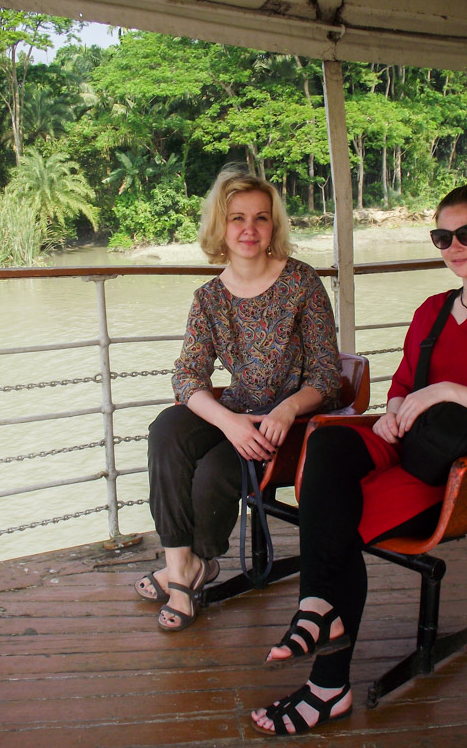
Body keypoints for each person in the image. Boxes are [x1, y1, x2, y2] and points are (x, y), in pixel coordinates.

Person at [249, 184, 467, 735]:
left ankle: (328, 686)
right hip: (405, 443)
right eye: (443, 236)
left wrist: (443, 392)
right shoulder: (434, 309)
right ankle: (319, 610)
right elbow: (400, 386)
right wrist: (394, 409)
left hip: (454, 472)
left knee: (337, 523)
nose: (454, 246)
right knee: (326, 442)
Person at [134, 166, 342, 632]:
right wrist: (229, 422)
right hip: (240, 412)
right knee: (165, 430)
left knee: (212, 472)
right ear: (220, 228)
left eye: (261, 218)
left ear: (274, 227)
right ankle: (183, 566)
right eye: (237, 218)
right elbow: (187, 375)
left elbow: (327, 376)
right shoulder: (209, 298)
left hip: (292, 421)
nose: (249, 229)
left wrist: (286, 409)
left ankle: (193, 567)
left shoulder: (302, 283)